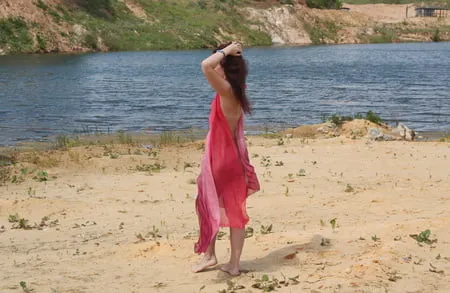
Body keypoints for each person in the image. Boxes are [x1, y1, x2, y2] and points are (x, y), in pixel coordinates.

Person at [192, 42, 260, 276]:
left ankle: (210, 255)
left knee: (208, 204)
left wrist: (227, 50)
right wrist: (227, 55)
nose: (215, 67)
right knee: (234, 210)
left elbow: (204, 66)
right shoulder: (238, 89)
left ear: (224, 66)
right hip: (232, 159)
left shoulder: (227, 91)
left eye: (218, 63)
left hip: (220, 160)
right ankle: (233, 264)